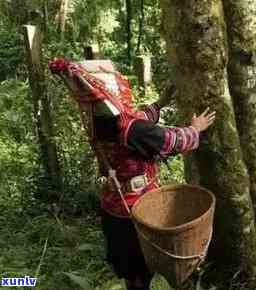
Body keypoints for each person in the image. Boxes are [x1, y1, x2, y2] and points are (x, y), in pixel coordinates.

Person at [49, 58, 216, 290]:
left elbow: (138, 120)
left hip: (113, 209)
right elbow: (170, 140)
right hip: (136, 212)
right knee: (142, 273)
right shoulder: (129, 128)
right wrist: (195, 129)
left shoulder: (97, 121)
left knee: (132, 274)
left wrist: (160, 103)